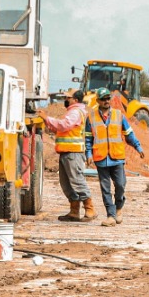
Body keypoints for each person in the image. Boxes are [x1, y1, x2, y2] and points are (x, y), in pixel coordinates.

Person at [85, 89, 145, 227]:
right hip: (101, 158)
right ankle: (110, 215)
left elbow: (129, 134)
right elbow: (88, 138)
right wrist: (88, 154)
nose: (106, 101)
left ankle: (118, 207)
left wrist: (138, 147)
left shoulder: (119, 116)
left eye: (108, 98)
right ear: (98, 101)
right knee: (105, 189)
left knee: (120, 185)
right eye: (103, 99)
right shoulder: (91, 117)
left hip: (117, 157)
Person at [43, 89, 96, 222]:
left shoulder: (75, 112)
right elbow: (61, 128)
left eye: (68, 97)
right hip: (66, 152)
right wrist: (48, 123)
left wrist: (47, 118)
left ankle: (90, 209)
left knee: (77, 181)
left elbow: (64, 125)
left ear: (75, 100)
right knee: (66, 183)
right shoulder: (71, 112)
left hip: (73, 152)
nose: (66, 99)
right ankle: (74, 210)